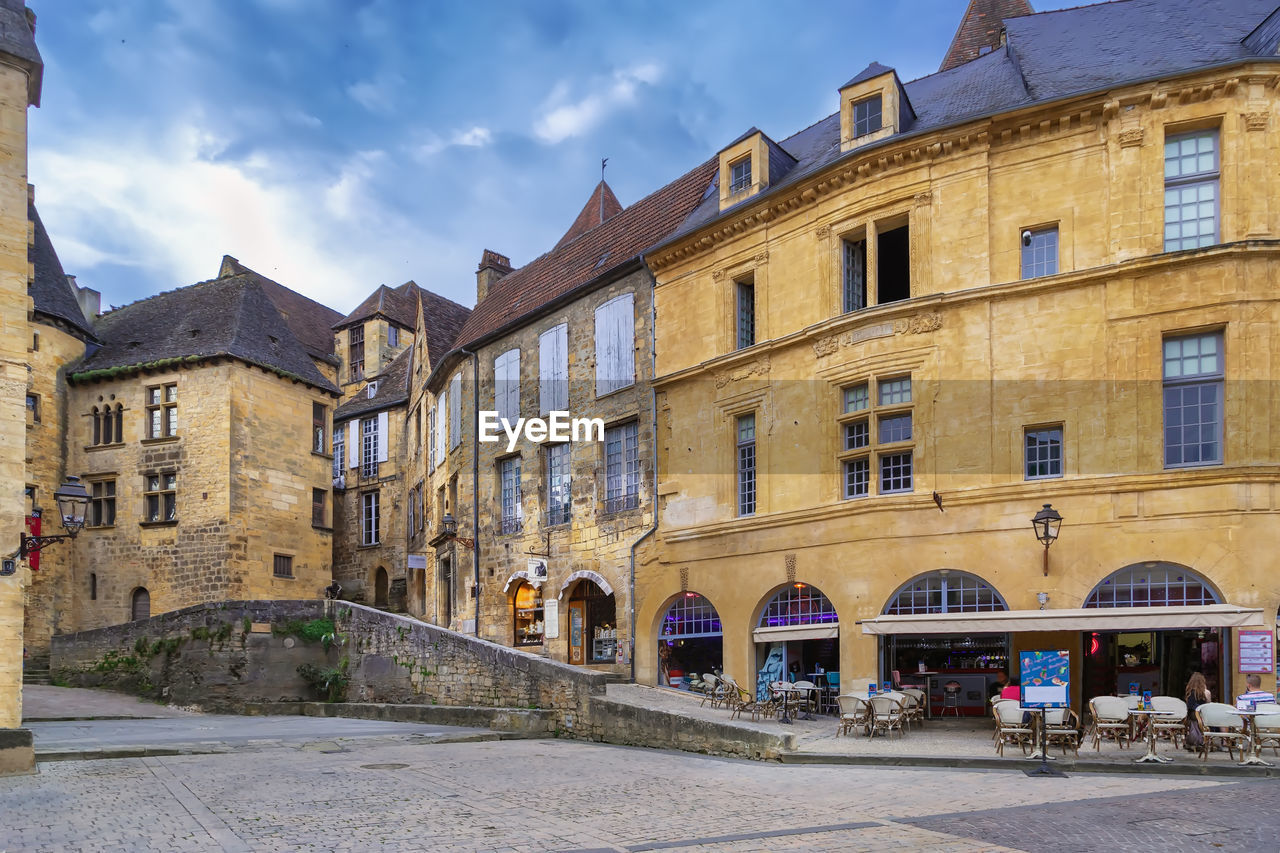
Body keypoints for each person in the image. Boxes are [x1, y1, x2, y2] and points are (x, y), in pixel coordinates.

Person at [1185, 671, 1212, 750]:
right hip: (1202, 715)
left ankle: (1193, 741)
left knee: (1194, 724)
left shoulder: (1189, 692)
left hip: (1192, 715)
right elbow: (1208, 706)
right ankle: (1204, 741)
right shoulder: (1206, 692)